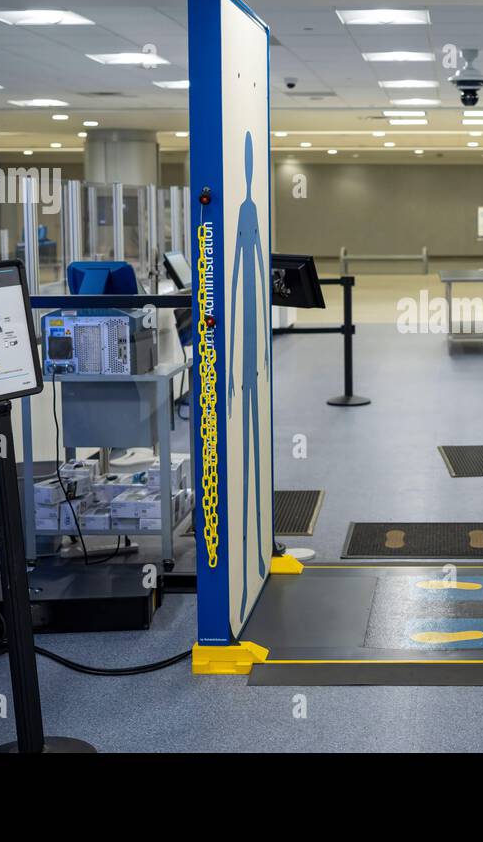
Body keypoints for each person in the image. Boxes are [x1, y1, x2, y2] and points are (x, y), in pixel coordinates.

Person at [227, 131, 271, 621]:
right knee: (244, 461)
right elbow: (243, 281)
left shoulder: (249, 214)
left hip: (250, 368)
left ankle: (257, 555)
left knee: (252, 460)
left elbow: (250, 281)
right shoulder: (246, 213)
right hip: (246, 369)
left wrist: (251, 357)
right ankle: (243, 575)